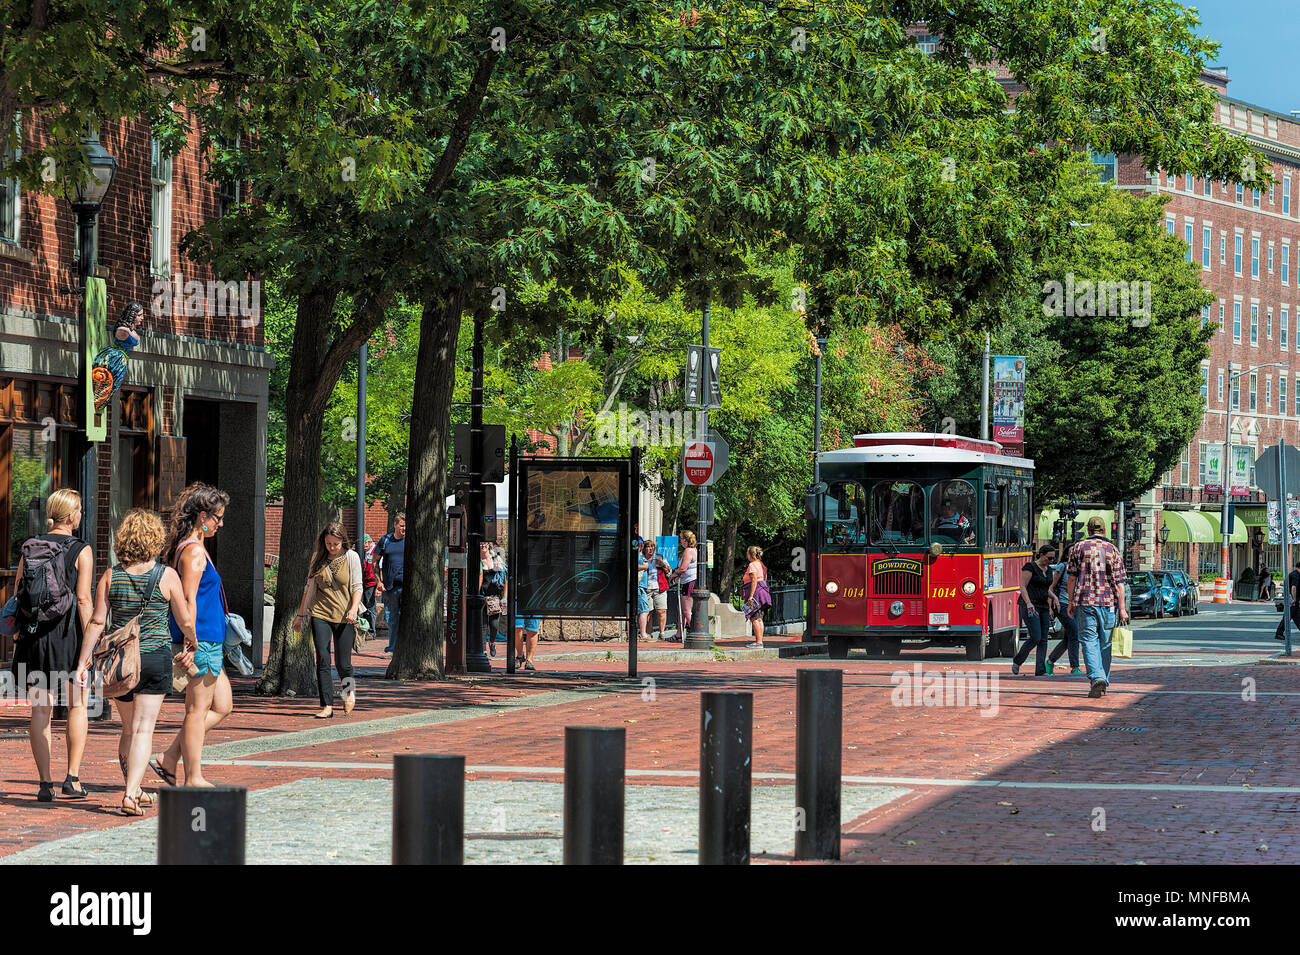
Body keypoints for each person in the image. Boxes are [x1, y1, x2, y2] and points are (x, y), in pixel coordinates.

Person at [77, 509, 195, 815]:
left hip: (122, 663)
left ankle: (136, 788)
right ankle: (130, 794)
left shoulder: (110, 575)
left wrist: (83, 662)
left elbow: (97, 621)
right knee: (144, 729)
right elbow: (184, 619)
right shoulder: (167, 576)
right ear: (155, 539)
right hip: (154, 655)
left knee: (128, 728)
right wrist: (191, 640)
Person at [9, 488, 94, 802]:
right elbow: (84, 599)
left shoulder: (31, 547)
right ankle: (72, 778)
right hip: (68, 637)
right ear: (71, 516)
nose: (81, 515)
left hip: (34, 638)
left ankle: (45, 783)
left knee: (40, 710)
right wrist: (90, 645)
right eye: (80, 510)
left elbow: (20, 591)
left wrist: (19, 632)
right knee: (77, 705)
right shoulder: (80, 549)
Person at [151, 482, 234, 788]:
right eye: (218, 517)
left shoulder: (191, 547)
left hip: (210, 639)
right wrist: (190, 637)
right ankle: (193, 777)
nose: (220, 524)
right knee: (196, 711)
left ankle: (170, 757)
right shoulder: (194, 551)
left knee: (223, 706)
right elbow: (188, 599)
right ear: (202, 516)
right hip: (201, 639)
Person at [294, 521, 363, 718]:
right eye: (328, 543)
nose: (331, 548)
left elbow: (357, 587)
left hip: (344, 616)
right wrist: (300, 615)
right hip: (320, 613)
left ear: (343, 542)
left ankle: (349, 692)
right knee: (323, 658)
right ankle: (326, 705)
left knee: (343, 664)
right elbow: (309, 589)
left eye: (335, 544)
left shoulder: (352, 557)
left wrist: (353, 609)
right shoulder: (318, 558)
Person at [1066, 516, 1129, 698]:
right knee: (1106, 643)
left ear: (1088, 529)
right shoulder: (1112, 549)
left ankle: (1096, 677)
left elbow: (1071, 578)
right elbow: (1119, 583)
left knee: (1088, 641)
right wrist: (1122, 608)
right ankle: (1103, 680)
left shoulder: (1078, 547)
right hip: (1108, 603)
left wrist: (1070, 602)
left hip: (1085, 601)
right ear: (1104, 530)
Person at [1012, 544, 1058, 676]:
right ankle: (1018, 660)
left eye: (1053, 559)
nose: (1051, 561)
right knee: (1036, 636)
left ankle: (1040, 670)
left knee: (1044, 639)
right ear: (1042, 555)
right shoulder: (1030, 567)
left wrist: (1054, 598)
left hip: (1043, 605)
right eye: (1049, 558)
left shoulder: (1049, 570)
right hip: (1030, 605)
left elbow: (1046, 589)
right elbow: (1023, 586)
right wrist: (1028, 603)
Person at [1048, 544, 1083, 675]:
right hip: (1061, 604)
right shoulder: (1062, 567)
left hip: (1074, 606)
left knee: (1068, 638)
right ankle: (1074, 667)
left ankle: (1050, 661)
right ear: (1067, 555)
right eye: (1072, 552)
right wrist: (1050, 607)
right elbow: (1050, 587)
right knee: (1074, 634)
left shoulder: (1080, 568)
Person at [374, 513, 406, 653]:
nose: (404, 528)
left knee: (406, 617)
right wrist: (378, 582)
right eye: (402, 526)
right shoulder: (385, 540)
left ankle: (404, 646)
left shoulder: (411, 540)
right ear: (395, 525)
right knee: (392, 617)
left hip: (407, 586)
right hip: (390, 586)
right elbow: (374, 562)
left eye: (406, 526)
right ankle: (393, 646)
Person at [478, 542, 507, 657]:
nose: (483, 545)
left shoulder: (496, 559)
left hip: (494, 597)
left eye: (485, 543)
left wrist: (504, 596)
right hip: (481, 597)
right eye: (480, 543)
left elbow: (505, 578)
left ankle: (492, 643)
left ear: (489, 545)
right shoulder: (477, 561)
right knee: (482, 625)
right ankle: (483, 650)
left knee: (494, 625)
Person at [637, 540, 670, 640]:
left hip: (660, 587)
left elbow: (669, 571)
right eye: (648, 547)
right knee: (648, 612)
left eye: (652, 547)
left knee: (662, 611)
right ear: (644, 548)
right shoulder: (641, 558)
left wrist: (663, 565)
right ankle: (648, 633)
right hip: (646, 587)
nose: (650, 549)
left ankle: (662, 633)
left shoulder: (659, 557)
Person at [669, 530, 698, 640]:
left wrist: (672, 576)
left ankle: (695, 633)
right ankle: (679, 634)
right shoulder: (693, 550)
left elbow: (683, 568)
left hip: (689, 581)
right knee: (680, 608)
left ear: (685, 540)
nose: (680, 541)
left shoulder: (688, 551)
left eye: (681, 538)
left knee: (686, 610)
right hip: (688, 581)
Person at [742, 545, 771, 648]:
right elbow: (764, 578)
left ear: (750, 554)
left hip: (756, 593)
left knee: (754, 617)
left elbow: (754, 580)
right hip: (763, 592)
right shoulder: (762, 565)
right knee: (759, 618)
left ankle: (758, 642)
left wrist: (750, 596)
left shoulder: (752, 565)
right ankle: (760, 640)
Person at [1275, 559, 1300, 640]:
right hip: (1292, 599)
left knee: (1295, 616)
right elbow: (1293, 588)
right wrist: (1294, 599)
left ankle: (1279, 633)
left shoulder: (1294, 574)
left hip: (1291, 599)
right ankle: (1279, 633)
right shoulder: (1296, 575)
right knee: (1288, 616)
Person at [360, 533, 378, 635]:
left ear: (370, 542)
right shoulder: (363, 553)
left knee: (370, 607)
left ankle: (371, 631)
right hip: (363, 582)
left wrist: (378, 586)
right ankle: (363, 629)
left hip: (371, 583)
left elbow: (377, 568)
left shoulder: (375, 552)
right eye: (363, 545)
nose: (365, 547)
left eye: (366, 544)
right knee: (362, 606)